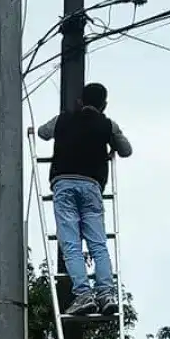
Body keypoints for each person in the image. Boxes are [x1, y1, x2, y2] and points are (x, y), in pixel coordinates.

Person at [36, 82, 132, 318]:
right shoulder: (107, 124)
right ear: (104, 105)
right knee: (98, 244)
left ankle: (83, 295)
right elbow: (127, 150)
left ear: (80, 101)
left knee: (71, 245)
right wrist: (111, 145)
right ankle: (106, 294)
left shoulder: (63, 120)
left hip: (64, 183)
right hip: (92, 186)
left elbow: (42, 132)